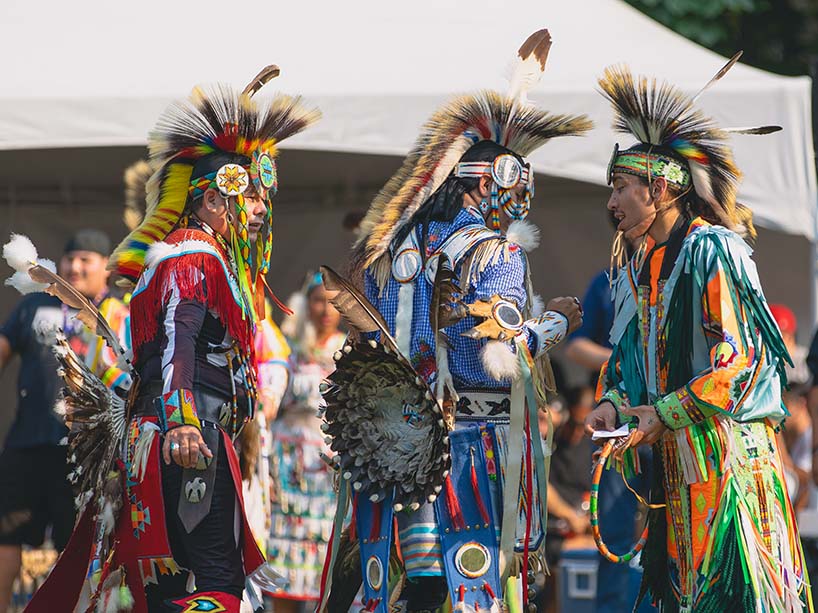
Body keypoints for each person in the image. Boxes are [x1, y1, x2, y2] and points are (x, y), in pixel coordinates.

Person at [24, 72, 320, 613]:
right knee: (218, 581)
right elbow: (179, 339)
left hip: (163, 435)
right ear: (209, 201)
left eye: (262, 197)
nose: (258, 211)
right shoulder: (193, 256)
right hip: (188, 434)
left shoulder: (190, 255)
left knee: (169, 587)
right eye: (246, 196)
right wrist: (183, 420)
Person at [318, 30, 589, 613]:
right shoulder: (497, 253)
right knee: (471, 582)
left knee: (417, 582)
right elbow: (502, 356)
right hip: (469, 447)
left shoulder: (399, 249)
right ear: (491, 185)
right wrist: (557, 324)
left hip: (397, 445)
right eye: (517, 187)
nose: (522, 204)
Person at [584, 62, 812, 611]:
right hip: (680, 460)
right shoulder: (644, 266)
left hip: (730, 458)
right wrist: (614, 406)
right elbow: (631, 363)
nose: (612, 203)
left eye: (621, 188)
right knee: (687, 598)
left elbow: (739, 364)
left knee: (736, 597)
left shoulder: (710, 251)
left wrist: (661, 415)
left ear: (659, 188)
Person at [0, 229, 130, 613]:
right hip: (28, 443)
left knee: (78, 544)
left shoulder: (120, 315)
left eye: (85, 260)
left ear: (105, 270)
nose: (74, 266)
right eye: (70, 258)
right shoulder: (35, 305)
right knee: (7, 532)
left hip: (89, 455)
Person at [267, 272, 345, 610]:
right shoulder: (290, 348)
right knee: (282, 556)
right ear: (305, 303)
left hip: (327, 466)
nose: (325, 309)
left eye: (332, 301)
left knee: (326, 552)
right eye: (318, 299)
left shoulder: (348, 351)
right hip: (287, 467)